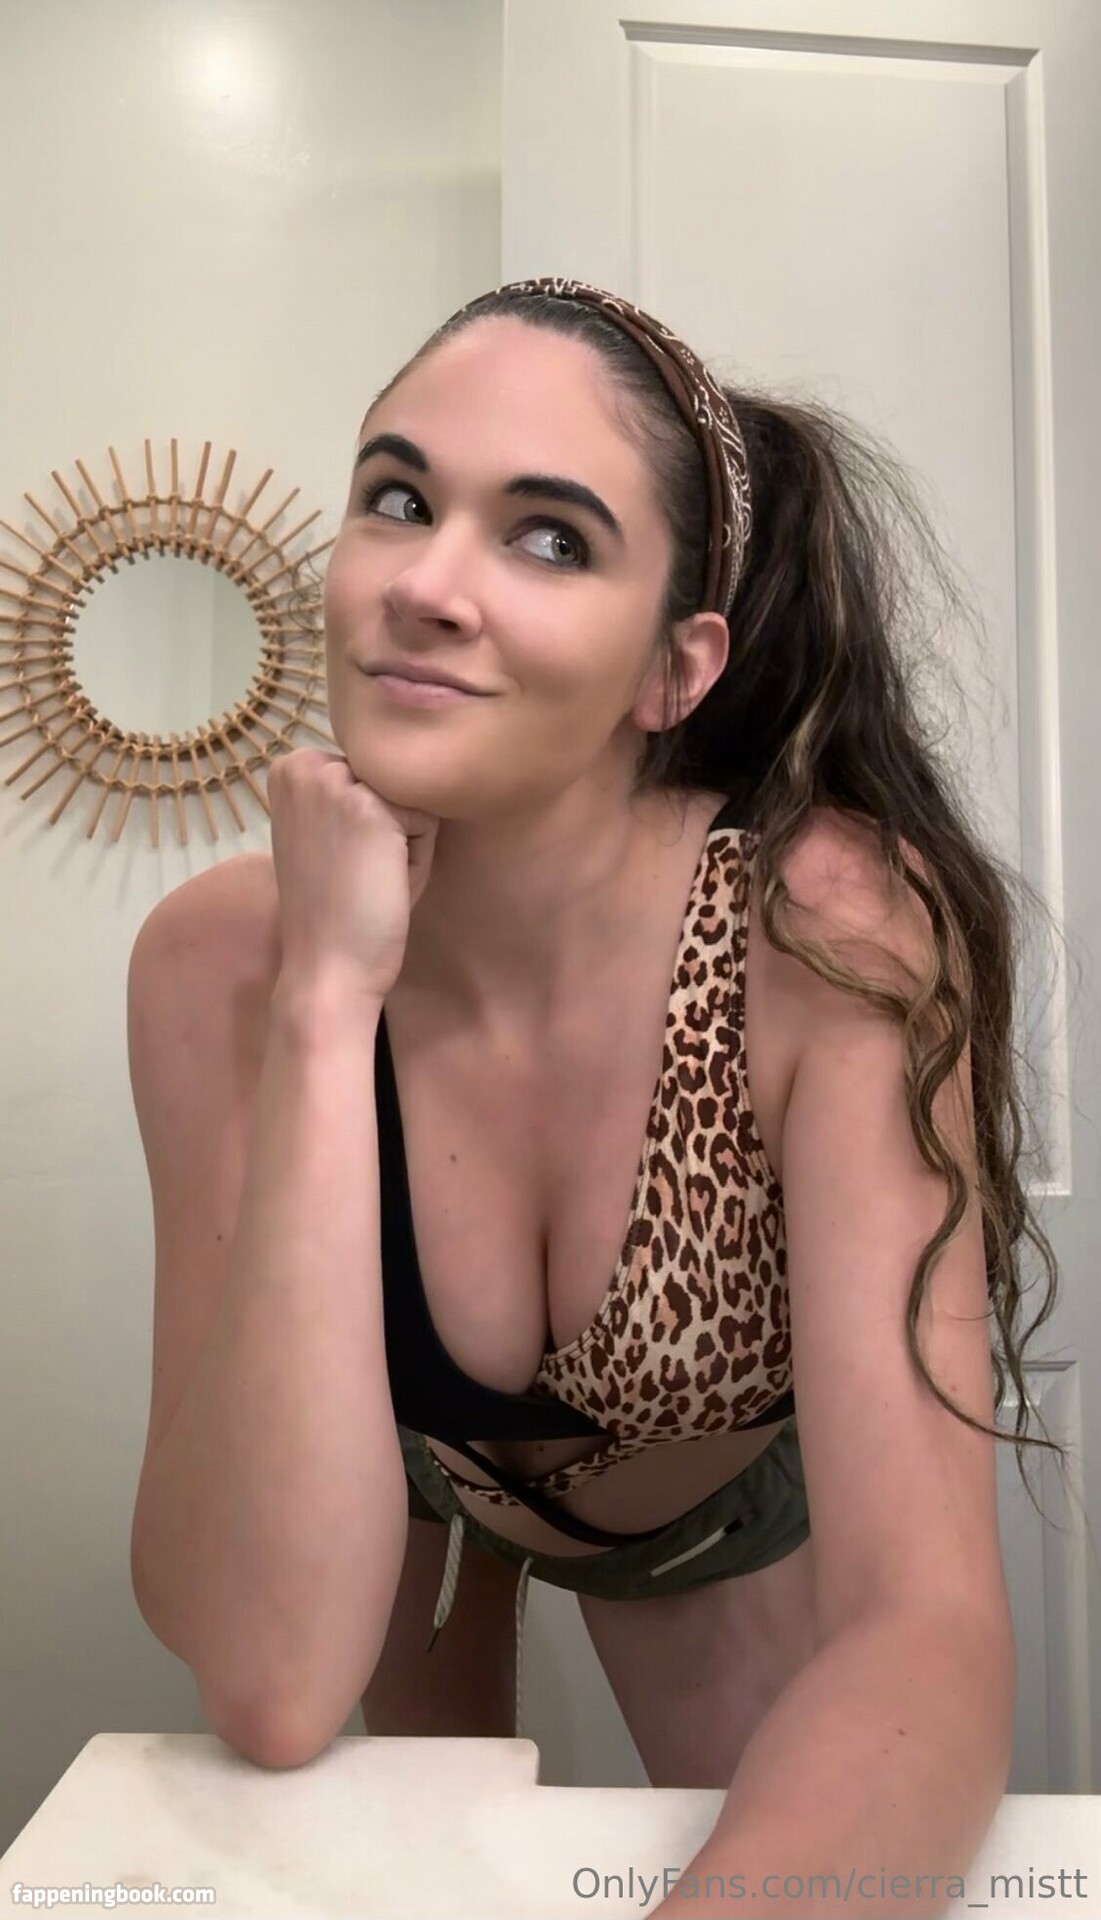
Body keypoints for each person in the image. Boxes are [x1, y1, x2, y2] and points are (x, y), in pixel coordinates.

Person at [129, 281, 1061, 1856]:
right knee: (403, 1857)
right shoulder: (218, 962)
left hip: (693, 1522)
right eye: (396, 499)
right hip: (401, 1490)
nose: (425, 585)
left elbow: (925, 1636)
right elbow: (271, 1682)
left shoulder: (824, 933)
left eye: (549, 538)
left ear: (675, 669)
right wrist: (324, 1003)